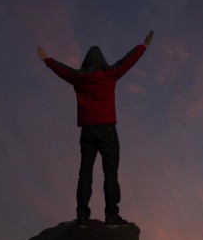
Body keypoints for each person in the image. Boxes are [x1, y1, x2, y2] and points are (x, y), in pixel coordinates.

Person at [37, 30, 154, 228]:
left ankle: (82, 217)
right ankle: (111, 216)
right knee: (110, 173)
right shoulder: (109, 74)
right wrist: (143, 46)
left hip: (87, 132)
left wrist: (47, 60)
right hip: (107, 130)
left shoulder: (78, 77)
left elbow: (62, 70)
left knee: (85, 173)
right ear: (101, 60)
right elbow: (127, 61)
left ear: (86, 62)